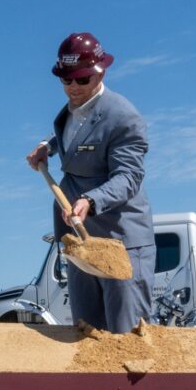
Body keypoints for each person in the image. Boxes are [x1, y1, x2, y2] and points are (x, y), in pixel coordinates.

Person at [23, 32, 154, 333]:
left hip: (120, 242)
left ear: (101, 72)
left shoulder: (124, 117)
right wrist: (47, 146)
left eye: (82, 80)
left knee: (127, 336)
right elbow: (78, 138)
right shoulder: (73, 112)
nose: (73, 87)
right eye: (66, 80)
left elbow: (129, 177)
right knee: (86, 333)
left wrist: (91, 201)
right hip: (81, 243)